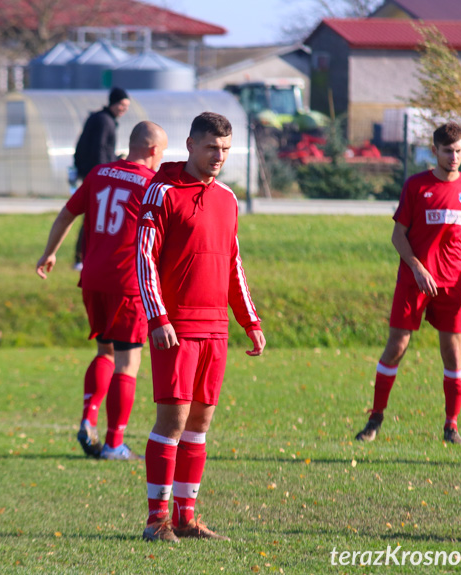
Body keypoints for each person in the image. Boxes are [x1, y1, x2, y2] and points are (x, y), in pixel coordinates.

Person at [136, 112, 265, 543]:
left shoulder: (227, 198)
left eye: (226, 150)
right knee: (172, 419)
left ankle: (187, 519)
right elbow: (144, 260)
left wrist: (250, 320)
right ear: (190, 145)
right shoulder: (161, 192)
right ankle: (157, 522)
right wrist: (158, 316)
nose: (219, 157)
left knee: (201, 421)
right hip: (175, 326)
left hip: (215, 328)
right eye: (212, 148)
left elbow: (234, 264)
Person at [37, 121, 168, 460]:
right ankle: (113, 444)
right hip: (128, 282)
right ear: (154, 151)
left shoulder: (99, 173)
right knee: (128, 362)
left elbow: (66, 215)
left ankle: (87, 419)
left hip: (92, 278)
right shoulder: (151, 184)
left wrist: (49, 253)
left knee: (105, 351)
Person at [355, 122, 461, 445]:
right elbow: (397, 234)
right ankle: (375, 418)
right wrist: (416, 268)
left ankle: (451, 426)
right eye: (447, 151)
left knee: (452, 353)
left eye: (458, 151)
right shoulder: (416, 186)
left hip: (452, 284)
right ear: (435, 151)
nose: (453, 157)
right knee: (397, 346)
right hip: (414, 281)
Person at [72, 87, 131, 270]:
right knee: (93, 216)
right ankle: (81, 258)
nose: (123, 109)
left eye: (126, 106)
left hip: (92, 173)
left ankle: (89, 257)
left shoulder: (100, 118)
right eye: (121, 104)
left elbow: (100, 150)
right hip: (97, 176)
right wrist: (106, 172)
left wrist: (114, 159)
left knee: (95, 216)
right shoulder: (105, 121)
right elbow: (98, 150)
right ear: (113, 103)